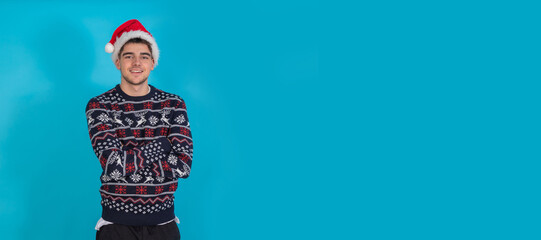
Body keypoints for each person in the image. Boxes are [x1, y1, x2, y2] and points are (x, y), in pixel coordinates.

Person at [85, 19, 193, 240]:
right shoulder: (99, 105)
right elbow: (113, 167)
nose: (136, 62)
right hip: (115, 227)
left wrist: (130, 159)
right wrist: (161, 146)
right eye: (128, 56)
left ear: (153, 62)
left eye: (144, 56)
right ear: (117, 62)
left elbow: (183, 167)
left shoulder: (173, 104)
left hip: (164, 227)